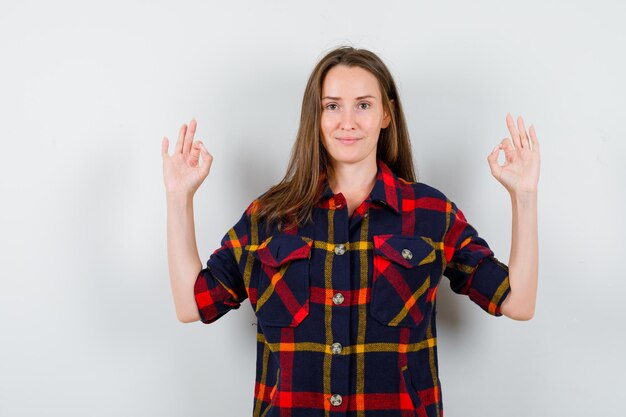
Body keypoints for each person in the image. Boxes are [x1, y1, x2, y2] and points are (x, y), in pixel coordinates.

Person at [161, 46, 539, 417]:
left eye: (363, 104)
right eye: (332, 106)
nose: (348, 121)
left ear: (386, 114)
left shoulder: (429, 213)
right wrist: (179, 198)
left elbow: (517, 301)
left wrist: (523, 196)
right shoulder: (269, 216)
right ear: (316, 116)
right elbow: (193, 304)